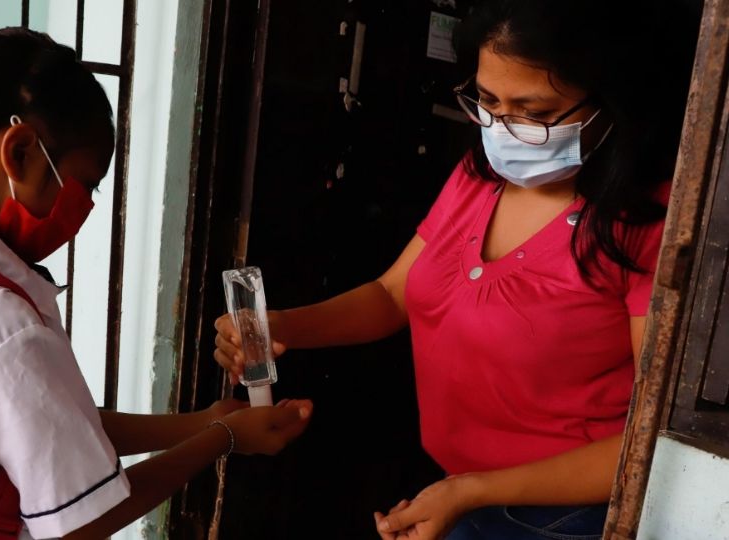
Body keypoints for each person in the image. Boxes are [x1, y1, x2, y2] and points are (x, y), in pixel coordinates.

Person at [213, 1, 695, 538]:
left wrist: (472, 493)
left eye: (533, 113)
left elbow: (651, 439)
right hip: (460, 488)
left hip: (563, 517)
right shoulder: (480, 175)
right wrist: (284, 326)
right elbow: (392, 296)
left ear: (609, 104)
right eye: (487, 101)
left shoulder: (651, 224)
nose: (504, 130)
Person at [0, 28, 312, 540]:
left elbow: (54, 425)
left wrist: (202, 422)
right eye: (85, 184)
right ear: (21, 151)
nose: (84, 210)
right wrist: (223, 439)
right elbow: (82, 524)